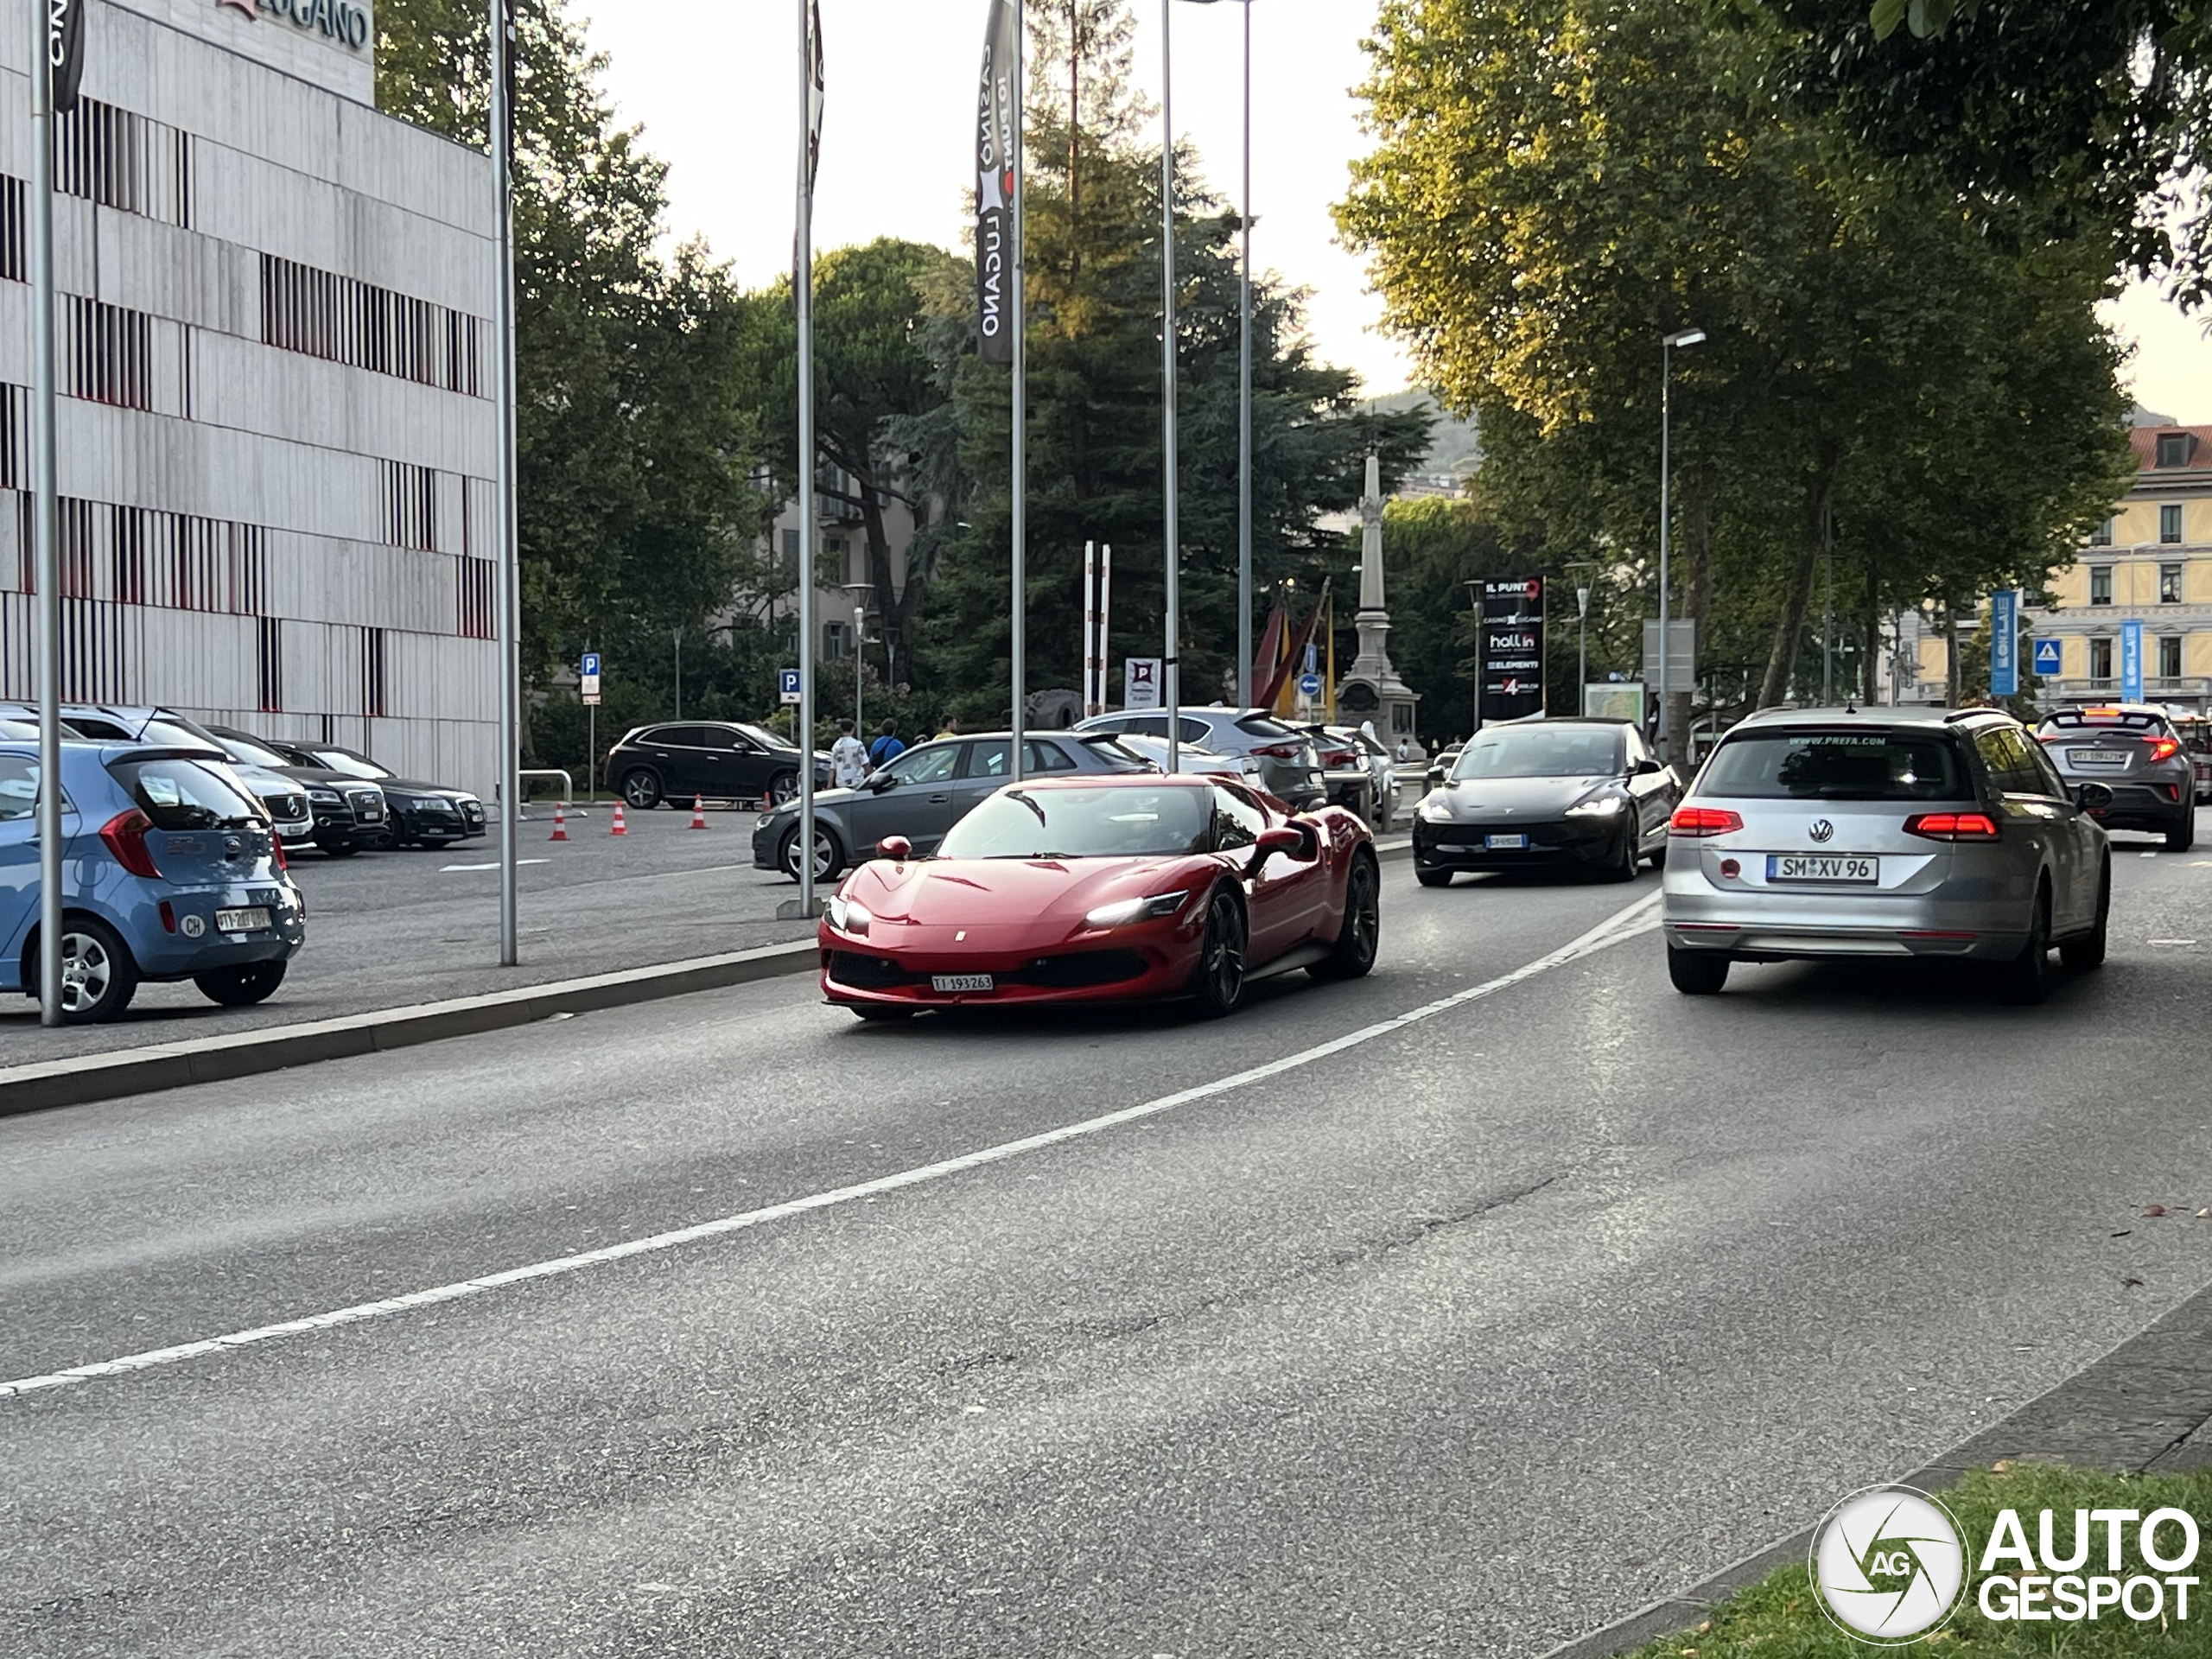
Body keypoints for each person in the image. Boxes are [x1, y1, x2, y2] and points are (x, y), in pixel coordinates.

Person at [830, 717, 870, 790]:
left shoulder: (836, 746)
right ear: (853, 729)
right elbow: (865, 764)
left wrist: (829, 786)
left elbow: (832, 769)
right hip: (857, 783)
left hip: (841, 785)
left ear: (841, 730)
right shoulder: (858, 745)